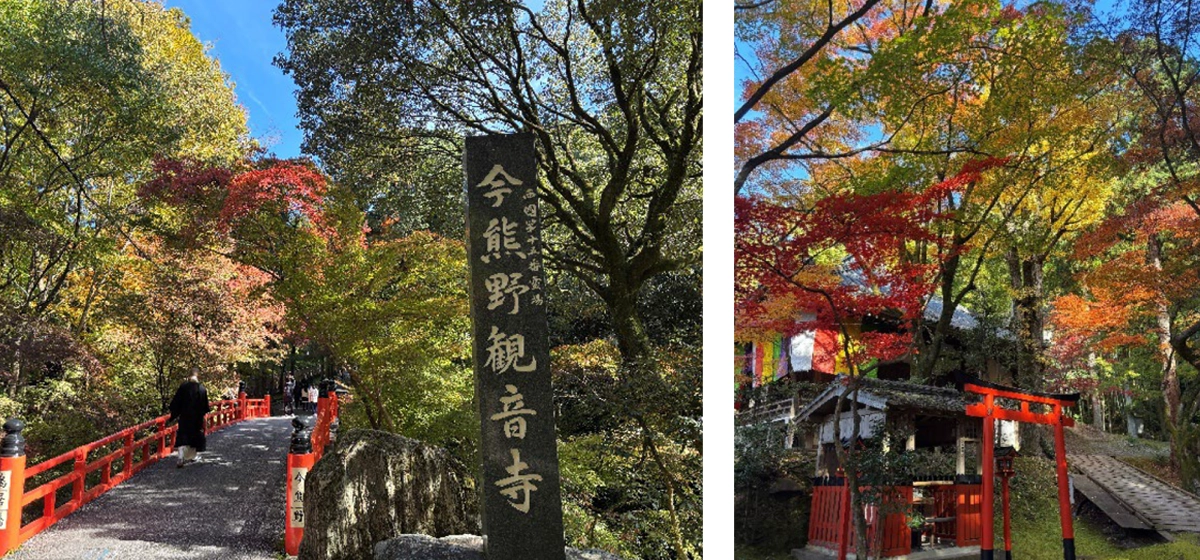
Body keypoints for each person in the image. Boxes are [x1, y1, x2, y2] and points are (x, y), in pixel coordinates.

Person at [169, 367, 211, 468]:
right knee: (194, 437)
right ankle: (193, 457)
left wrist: (174, 414)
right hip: (197, 418)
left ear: (189, 375)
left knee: (183, 436)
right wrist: (204, 420)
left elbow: (176, 402)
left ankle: (180, 457)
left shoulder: (183, 387)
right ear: (198, 376)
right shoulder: (202, 389)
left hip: (184, 417)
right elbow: (205, 407)